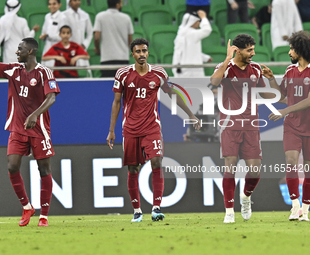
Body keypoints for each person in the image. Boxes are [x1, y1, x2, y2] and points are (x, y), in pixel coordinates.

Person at [107, 38, 200, 222]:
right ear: (132, 54)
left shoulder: (159, 73)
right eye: (138, 51)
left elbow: (173, 93)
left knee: (156, 162)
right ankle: (137, 211)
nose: (142, 54)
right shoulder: (123, 74)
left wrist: (190, 114)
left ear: (148, 52)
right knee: (133, 169)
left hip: (152, 127)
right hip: (130, 129)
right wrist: (111, 130)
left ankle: (156, 207)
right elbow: (117, 102)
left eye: (144, 51)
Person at [0, 36, 60, 226]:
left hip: (39, 129)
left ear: (30, 51)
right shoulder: (14, 70)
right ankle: (27, 207)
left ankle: (44, 215)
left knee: (44, 170)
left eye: (20, 49)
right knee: (12, 166)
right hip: (18, 128)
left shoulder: (44, 72)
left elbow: (51, 98)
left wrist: (35, 115)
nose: (17, 51)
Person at [210, 34, 279, 223]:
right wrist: (226, 59)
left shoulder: (255, 69)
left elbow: (266, 94)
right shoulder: (226, 68)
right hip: (230, 125)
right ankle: (229, 211)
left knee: (255, 171)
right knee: (230, 166)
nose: (253, 53)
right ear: (237, 50)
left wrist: (272, 80)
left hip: (251, 124)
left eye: (253, 49)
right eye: (249, 50)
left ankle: (246, 197)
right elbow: (213, 83)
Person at [263, 31, 310, 221]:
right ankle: (295, 205)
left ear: (301, 49)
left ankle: (305, 209)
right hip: (292, 125)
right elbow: (282, 96)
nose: (289, 52)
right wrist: (271, 79)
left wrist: (284, 111)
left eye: (292, 48)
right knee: (291, 161)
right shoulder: (290, 72)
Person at [93, 0, 133, 78]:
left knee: (107, 86)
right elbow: (130, 40)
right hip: (123, 58)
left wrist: (97, 49)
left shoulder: (100, 16)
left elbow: (97, 37)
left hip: (106, 58)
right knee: (122, 87)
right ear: (118, 5)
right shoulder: (126, 18)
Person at [172, 10, 212, 78]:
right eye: (198, 21)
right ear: (192, 22)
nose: (199, 23)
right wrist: (204, 18)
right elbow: (207, 30)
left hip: (181, 70)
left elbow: (189, 52)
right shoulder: (192, 33)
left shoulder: (180, 34)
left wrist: (205, 58)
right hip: (192, 71)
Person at [63, 0, 93, 67]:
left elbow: (90, 33)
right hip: (68, 49)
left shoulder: (85, 15)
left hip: (81, 49)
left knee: (85, 73)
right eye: (74, 0)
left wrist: (84, 45)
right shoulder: (63, 15)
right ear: (69, 2)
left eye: (78, 0)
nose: (77, 2)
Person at [39, 0, 66, 67]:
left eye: (54, 4)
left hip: (58, 48)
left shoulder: (63, 17)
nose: (52, 6)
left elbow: (63, 36)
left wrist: (49, 35)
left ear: (59, 5)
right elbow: (44, 31)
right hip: (47, 47)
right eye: (50, 4)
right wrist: (43, 36)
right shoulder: (47, 17)